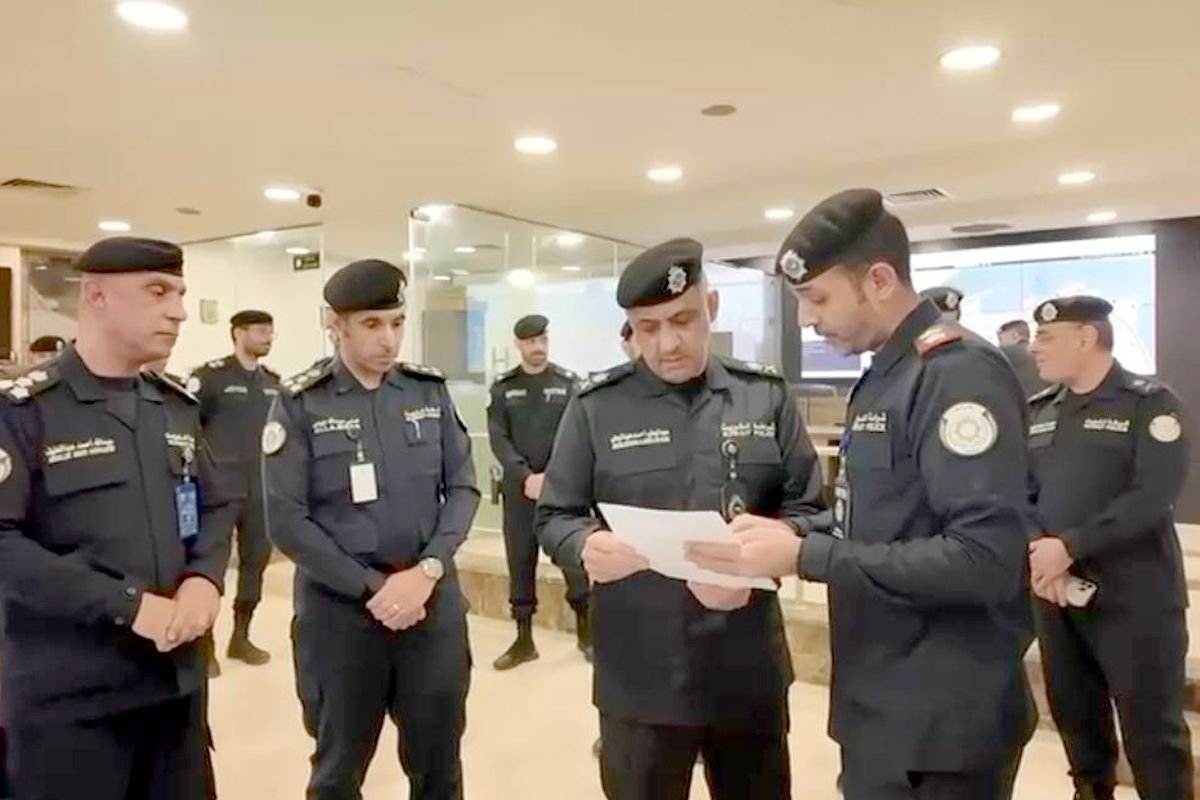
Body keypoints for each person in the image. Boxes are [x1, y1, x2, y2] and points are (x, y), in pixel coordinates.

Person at [686, 189, 1037, 800]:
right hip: (884, 701)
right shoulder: (887, 374)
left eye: (817, 298)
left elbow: (984, 557)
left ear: (879, 280)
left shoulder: (955, 374)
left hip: (942, 719)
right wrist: (787, 535)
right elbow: (875, 521)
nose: (805, 319)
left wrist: (806, 556)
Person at [537, 237, 827, 800]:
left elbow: (813, 512)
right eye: (647, 328)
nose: (667, 343)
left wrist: (773, 547)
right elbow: (554, 516)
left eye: (683, 320)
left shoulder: (762, 396)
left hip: (745, 666)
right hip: (639, 671)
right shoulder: (596, 406)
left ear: (711, 307)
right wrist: (584, 544)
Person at [0, 236, 236, 799]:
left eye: (180, 293)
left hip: (175, 689)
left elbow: (216, 504)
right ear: (96, 296)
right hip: (71, 701)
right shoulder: (25, 412)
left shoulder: (173, 406)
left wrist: (204, 578)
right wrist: (128, 605)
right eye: (158, 292)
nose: (178, 311)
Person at [264, 258, 479, 800]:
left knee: (439, 763)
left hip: (430, 605)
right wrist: (374, 588)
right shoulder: (300, 402)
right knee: (338, 770)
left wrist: (428, 570)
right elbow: (287, 520)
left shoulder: (426, 392)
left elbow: (463, 489)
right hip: (343, 615)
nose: (389, 339)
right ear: (335, 325)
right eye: (372, 324)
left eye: (397, 322)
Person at [1026, 296, 1192, 800]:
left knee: (1152, 735)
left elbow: (1152, 496)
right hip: (1058, 598)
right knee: (1078, 727)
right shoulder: (1040, 410)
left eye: (1047, 337)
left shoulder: (1149, 404)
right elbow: (1019, 492)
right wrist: (1041, 551)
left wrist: (1070, 546)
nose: (1035, 347)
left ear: (1086, 337)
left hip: (1136, 600)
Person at [487, 314, 589, 670]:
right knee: (520, 562)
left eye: (543, 340)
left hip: (562, 491)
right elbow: (498, 438)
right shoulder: (504, 388)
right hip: (520, 493)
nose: (538, 348)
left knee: (573, 561)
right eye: (531, 342)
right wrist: (524, 477)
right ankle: (524, 640)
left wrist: (553, 477)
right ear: (519, 345)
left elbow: (575, 436)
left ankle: (586, 634)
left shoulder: (568, 384)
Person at [186, 309, 281, 668]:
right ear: (239, 333)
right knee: (210, 566)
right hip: (219, 492)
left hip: (260, 490)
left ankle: (241, 637)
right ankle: (205, 644)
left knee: (255, 565)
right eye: (261, 331)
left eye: (271, 332)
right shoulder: (211, 377)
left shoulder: (273, 383)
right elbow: (190, 427)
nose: (268, 338)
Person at [997, 319, 1049, 397]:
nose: (999, 344)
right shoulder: (1042, 352)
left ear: (1015, 335)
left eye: (1000, 339)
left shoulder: (1009, 352)